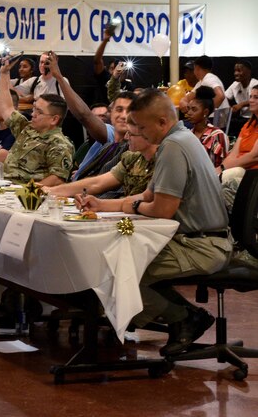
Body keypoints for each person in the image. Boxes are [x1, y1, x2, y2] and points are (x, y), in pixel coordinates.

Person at [79, 89, 232, 356]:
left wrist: (134, 206)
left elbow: (161, 209)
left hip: (200, 246)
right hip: (198, 239)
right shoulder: (182, 139)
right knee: (121, 263)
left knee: (119, 270)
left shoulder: (173, 147)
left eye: (141, 126)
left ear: (162, 122)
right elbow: (149, 195)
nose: (136, 132)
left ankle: (184, 317)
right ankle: (181, 317)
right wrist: (103, 204)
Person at [45, 50, 134, 181]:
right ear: (111, 112)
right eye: (119, 109)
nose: (123, 115)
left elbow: (84, 115)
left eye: (129, 110)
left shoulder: (130, 148)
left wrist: (59, 77)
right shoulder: (110, 134)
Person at [0, 55, 73, 186]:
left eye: (39, 111)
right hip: (3, 186)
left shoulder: (59, 144)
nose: (33, 114)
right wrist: (4, 73)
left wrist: (27, 193)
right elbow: (6, 107)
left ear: (54, 119)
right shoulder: (27, 128)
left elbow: (57, 179)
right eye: (34, 109)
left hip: (25, 196)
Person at [43, 114, 157, 200]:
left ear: (147, 135)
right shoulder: (131, 158)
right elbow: (97, 183)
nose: (126, 137)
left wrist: (101, 204)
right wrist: (51, 190)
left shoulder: (164, 160)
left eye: (131, 133)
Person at [218, 85, 258, 210]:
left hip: (253, 174)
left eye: (256, 97)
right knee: (214, 178)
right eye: (250, 96)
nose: (251, 100)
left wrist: (224, 170)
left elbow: (253, 156)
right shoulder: (248, 125)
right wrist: (220, 169)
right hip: (240, 170)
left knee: (224, 179)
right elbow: (234, 153)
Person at [186, 86, 229, 167]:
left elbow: (223, 165)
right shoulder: (188, 134)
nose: (189, 113)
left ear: (205, 112)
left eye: (194, 109)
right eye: (188, 109)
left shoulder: (217, 135)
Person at [224, 59, 257, 138]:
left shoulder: (255, 84)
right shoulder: (235, 84)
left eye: (239, 71)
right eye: (235, 71)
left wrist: (241, 105)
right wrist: (229, 108)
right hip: (242, 118)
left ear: (248, 72)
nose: (236, 73)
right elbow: (224, 98)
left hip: (254, 118)